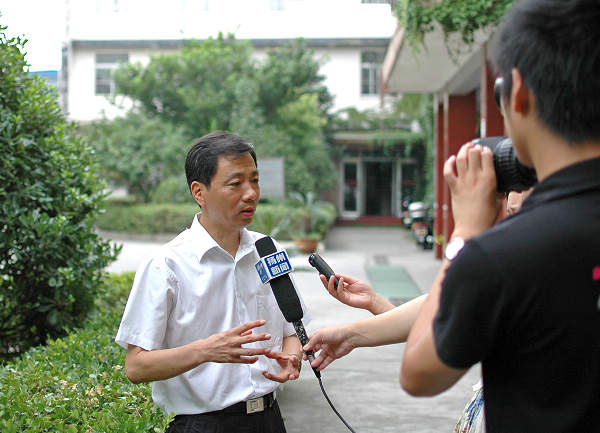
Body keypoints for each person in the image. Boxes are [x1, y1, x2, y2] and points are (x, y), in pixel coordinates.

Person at [307, 0, 600, 431]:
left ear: (518, 92)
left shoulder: (504, 254)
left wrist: (465, 234)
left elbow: (420, 372)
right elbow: (472, 304)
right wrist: (357, 327)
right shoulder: (509, 260)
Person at [116, 131, 307, 433]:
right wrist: (205, 350)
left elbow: (292, 331)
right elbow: (136, 366)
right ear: (199, 192)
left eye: (255, 180)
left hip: (270, 419)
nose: (251, 193)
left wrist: (292, 357)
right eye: (236, 183)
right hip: (204, 424)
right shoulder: (166, 265)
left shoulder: (268, 251)